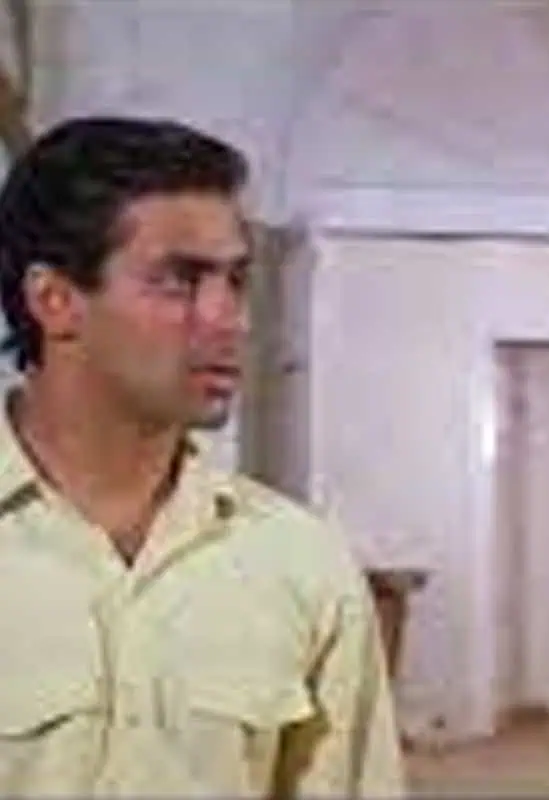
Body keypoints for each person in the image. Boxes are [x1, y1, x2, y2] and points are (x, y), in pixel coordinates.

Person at [0, 117, 405, 796]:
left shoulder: (300, 565)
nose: (229, 320)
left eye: (236, 282)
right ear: (55, 300)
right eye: (178, 282)